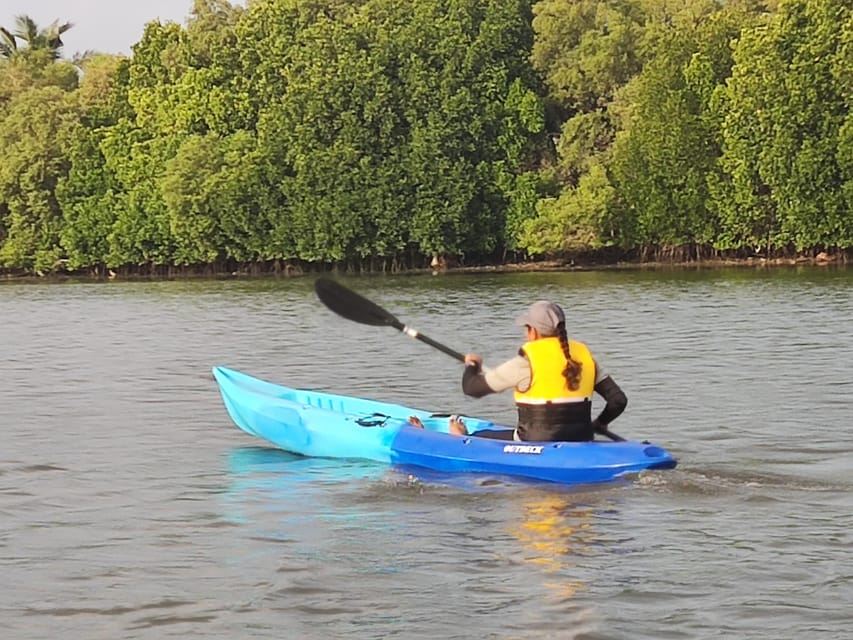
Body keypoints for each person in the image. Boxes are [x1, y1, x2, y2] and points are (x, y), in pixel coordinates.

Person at [453, 300, 627, 442]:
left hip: (534, 441)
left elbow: (471, 388)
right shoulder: (585, 358)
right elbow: (618, 401)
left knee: (475, 437)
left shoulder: (526, 362)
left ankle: (462, 438)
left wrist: (472, 365)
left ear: (533, 332)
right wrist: (600, 423)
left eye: (527, 328)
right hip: (581, 439)